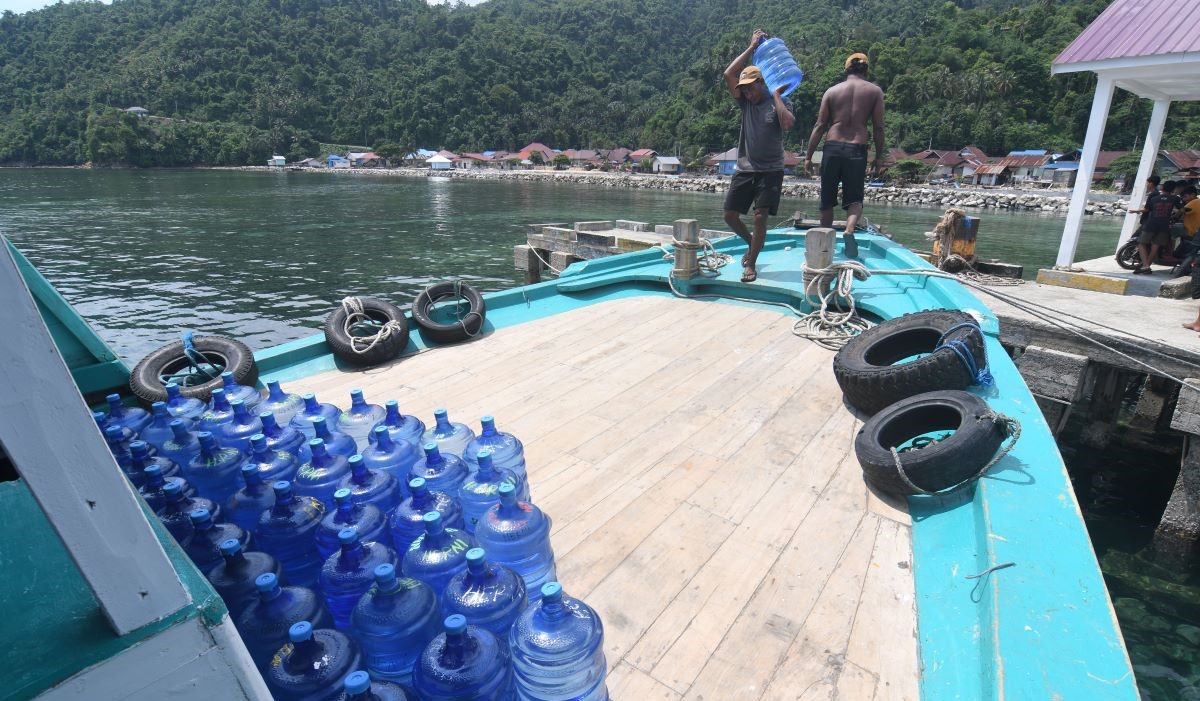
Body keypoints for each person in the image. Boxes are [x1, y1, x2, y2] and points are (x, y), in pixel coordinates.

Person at [722, 29, 795, 283]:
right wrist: (752, 47)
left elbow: (787, 124)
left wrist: (776, 96)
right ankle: (752, 243)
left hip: (771, 169)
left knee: (760, 215)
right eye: (744, 90)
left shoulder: (780, 100)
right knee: (730, 216)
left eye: (751, 89)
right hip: (745, 167)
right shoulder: (744, 103)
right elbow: (728, 74)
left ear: (762, 84)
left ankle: (751, 263)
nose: (747, 94)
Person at [804, 52, 885, 259]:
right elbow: (878, 127)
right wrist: (879, 156)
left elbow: (820, 125)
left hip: (832, 147)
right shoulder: (874, 92)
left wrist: (808, 156)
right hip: (857, 148)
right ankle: (849, 231)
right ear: (866, 70)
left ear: (846, 69)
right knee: (855, 199)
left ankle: (824, 243)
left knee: (827, 199)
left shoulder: (832, 91)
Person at [1137, 179, 1181, 274]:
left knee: (1141, 243)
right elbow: (1182, 210)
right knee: (1155, 245)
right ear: (1173, 189)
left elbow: (1148, 210)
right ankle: (1147, 266)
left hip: (1151, 223)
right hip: (1164, 225)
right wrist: (1175, 216)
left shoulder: (1154, 198)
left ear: (1162, 187)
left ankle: (1145, 266)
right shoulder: (1175, 198)